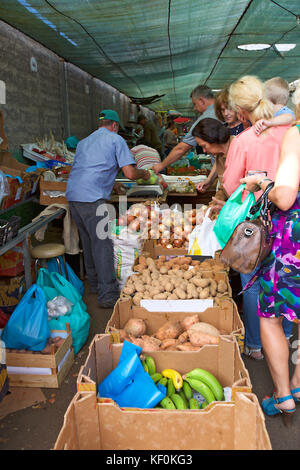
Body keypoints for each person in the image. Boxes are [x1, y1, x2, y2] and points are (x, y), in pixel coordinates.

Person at [239, 81, 300, 423]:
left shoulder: (297, 134)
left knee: (270, 318)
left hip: (294, 241)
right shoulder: (289, 124)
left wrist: (262, 184)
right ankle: (298, 384)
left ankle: (283, 397)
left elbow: (287, 196)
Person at [222, 75, 293, 360]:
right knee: (284, 278)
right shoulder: (290, 132)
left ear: (240, 111)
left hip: (254, 221)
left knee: (251, 281)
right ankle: (285, 338)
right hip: (288, 217)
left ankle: (254, 346)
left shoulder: (243, 140)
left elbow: (230, 186)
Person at [66, 109, 151, 309]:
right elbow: (130, 173)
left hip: (73, 196)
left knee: (88, 242)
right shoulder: (116, 139)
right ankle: (108, 295)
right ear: (115, 126)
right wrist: (145, 174)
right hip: (92, 199)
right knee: (102, 245)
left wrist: (111, 184)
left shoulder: (83, 142)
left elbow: (90, 168)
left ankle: (95, 286)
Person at [152, 85, 219, 174]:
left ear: (202, 101)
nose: (194, 108)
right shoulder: (225, 110)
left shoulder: (205, 118)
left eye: (195, 104)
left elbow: (181, 148)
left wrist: (161, 165)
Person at [191, 118, 232, 214]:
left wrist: (228, 207)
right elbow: (224, 187)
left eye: (204, 146)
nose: (204, 151)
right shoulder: (220, 156)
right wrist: (214, 203)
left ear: (213, 139)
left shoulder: (238, 148)